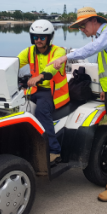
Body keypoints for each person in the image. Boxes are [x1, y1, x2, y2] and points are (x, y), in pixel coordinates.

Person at [49, 7, 107, 202]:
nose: (82, 29)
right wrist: (105, 88)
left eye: (83, 25)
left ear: (93, 21)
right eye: (79, 27)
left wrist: (65, 56)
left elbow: (92, 49)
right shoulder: (102, 36)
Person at [18, 19, 70, 164]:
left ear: (49, 37)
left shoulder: (58, 51)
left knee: (41, 112)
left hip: (52, 92)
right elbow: (14, 63)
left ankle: (54, 151)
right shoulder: (29, 51)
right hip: (34, 89)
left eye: (42, 37)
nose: (38, 40)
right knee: (14, 108)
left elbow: (52, 68)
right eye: (35, 37)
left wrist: (40, 77)